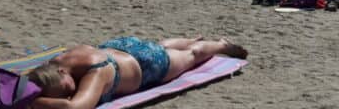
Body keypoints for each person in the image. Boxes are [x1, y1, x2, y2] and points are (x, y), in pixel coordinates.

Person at [26, 36, 247, 108]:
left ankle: (221, 45)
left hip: (148, 64)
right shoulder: (55, 63)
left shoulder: (96, 73)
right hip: (122, 46)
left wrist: (32, 102)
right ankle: (192, 38)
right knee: (161, 45)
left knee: (191, 55)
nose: (69, 93)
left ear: (63, 73)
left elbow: (74, 108)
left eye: (66, 89)